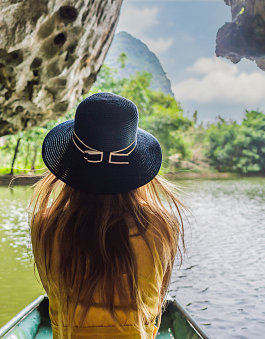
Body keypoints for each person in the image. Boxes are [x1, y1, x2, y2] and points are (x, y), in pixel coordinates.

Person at [30, 92, 185, 339]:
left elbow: (52, 289)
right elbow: (156, 303)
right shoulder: (162, 225)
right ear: (134, 163)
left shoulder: (45, 224)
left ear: (72, 162)